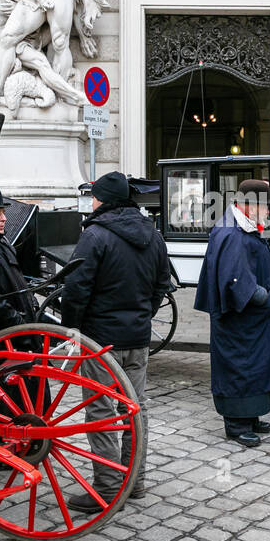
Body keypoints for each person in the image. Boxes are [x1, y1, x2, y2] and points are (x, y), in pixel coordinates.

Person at [60, 171, 173, 512]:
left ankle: (109, 489)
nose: (91, 202)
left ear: (103, 200)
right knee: (134, 410)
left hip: (101, 341)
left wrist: (72, 329)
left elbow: (76, 289)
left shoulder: (95, 235)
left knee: (101, 412)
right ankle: (134, 482)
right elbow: (161, 285)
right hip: (136, 337)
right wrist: (143, 316)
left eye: (94, 196)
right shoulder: (151, 234)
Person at [194, 179, 270, 447]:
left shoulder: (240, 227)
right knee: (240, 367)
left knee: (256, 367)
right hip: (240, 321)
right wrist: (260, 294)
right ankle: (236, 423)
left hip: (254, 322)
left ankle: (251, 415)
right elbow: (234, 278)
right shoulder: (231, 234)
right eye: (266, 207)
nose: (268, 212)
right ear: (250, 206)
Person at [0, 186, 36, 332]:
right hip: (5, 334)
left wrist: (33, 305)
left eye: (3, 213)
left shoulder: (3, 242)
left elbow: (19, 280)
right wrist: (20, 326)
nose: (4, 218)